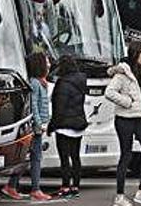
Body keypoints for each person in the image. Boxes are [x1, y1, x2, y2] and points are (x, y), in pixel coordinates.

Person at [105, 41, 141, 206]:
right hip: (124, 119)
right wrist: (127, 102)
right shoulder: (123, 73)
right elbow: (109, 92)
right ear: (136, 55)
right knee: (126, 155)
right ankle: (119, 196)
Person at [1, 52, 51, 201]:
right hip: (35, 127)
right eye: (46, 61)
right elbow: (33, 105)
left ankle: (11, 186)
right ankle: (34, 189)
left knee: (29, 158)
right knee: (34, 158)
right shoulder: (35, 83)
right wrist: (39, 123)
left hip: (38, 125)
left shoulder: (40, 82)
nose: (49, 64)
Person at [49, 54, 88, 198]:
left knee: (65, 158)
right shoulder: (81, 81)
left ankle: (65, 186)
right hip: (78, 125)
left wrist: (51, 126)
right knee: (76, 157)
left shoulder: (62, 83)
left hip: (64, 126)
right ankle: (76, 186)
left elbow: (59, 108)